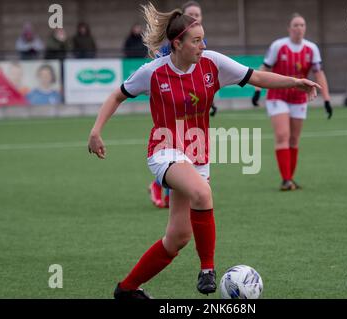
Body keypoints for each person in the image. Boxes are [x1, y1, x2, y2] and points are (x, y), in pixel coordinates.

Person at [87, 2, 320, 299]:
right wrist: (96, 131)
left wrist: (295, 82)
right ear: (177, 44)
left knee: (177, 238)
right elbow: (117, 95)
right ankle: (208, 269)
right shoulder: (153, 72)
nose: (202, 45)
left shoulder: (212, 63)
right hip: (164, 150)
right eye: (196, 40)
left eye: (203, 39)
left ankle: (127, 289)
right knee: (202, 194)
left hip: (198, 155)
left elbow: (256, 77)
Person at [251, 13, 333, 191]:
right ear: (289, 28)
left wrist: (326, 99)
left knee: (294, 139)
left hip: (298, 98)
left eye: (302, 25)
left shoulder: (312, 49)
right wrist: (257, 91)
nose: (299, 28)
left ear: (305, 28)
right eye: (295, 25)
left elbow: (319, 74)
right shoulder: (278, 46)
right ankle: (286, 180)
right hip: (277, 96)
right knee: (282, 135)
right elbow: (265, 68)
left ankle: (290, 178)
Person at [148, 0, 215, 209]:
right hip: (172, 117)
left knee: (180, 230)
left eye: (198, 13)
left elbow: (205, 80)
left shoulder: (200, 46)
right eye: (191, 13)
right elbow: (162, 77)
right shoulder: (172, 49)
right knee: (174, 155)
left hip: (190, 122)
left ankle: (166, 192)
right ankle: (158, 186)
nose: (196, 16)